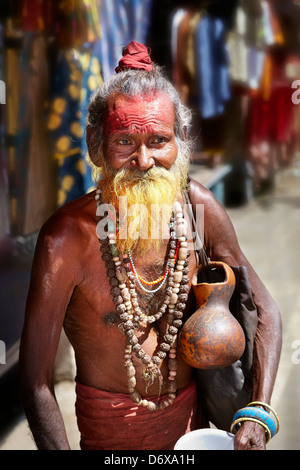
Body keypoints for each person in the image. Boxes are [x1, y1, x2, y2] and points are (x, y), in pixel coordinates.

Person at [19, 41, 282, 451]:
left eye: (158, 140)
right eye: (124, 141)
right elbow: (35, 383)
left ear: (181, 141)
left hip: (195, 435)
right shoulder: (66, 238)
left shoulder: (198, 207)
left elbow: (264, 310)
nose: (143, 161)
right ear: (96, 145)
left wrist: (259, 413)